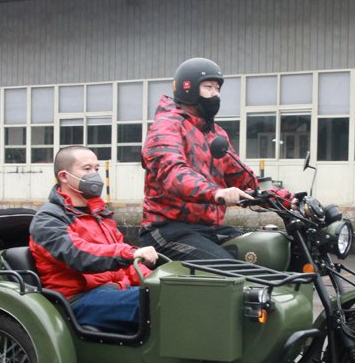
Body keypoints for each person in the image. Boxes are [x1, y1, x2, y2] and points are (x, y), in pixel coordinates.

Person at [140, 57, 259, 261]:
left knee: (264, 250)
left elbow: (241, 175)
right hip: (167, 229)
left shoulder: (215, 133)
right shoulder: (166, 127)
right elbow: (173, 173)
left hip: (207, 229)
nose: (215, 94)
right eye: (208, 87)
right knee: (231, 270)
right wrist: (216, 192)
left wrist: (287, 199)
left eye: (218, 88)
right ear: (188, 89)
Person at [29, 145, 157, 334]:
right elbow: (77, 254)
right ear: (64, 176)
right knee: (159, 302)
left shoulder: (99, 214)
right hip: (79, 299)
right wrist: (130, 253)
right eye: (87, 169)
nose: (95, 174)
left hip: (115, 291)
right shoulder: (48, 219)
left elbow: (128, 265)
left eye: (96, 168)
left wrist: (157, 280)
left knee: (172, 294)